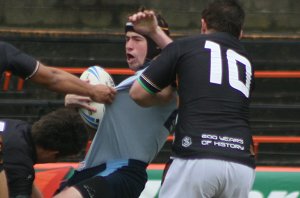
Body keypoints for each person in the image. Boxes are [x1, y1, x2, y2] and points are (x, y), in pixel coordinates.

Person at [129, 1, 256, 197]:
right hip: (241, 165)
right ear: (241, 33)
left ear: (203, 24)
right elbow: (195, 60)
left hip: (196, 156)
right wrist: (155, 31)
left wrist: (168, 96)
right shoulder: (246, 61)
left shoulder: (185, 47)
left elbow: (138, 94)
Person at [54, 9, 177, 198]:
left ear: (155, 45)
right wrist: (78, 102)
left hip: (122, 172)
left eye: (137, 40)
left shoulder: (165, 79)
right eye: (127, 39)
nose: (129, 46)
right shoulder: (134, 83)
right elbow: (110, 134)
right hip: (95, 169)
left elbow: (168, 91)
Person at [0, 41, 116, 198]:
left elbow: (52, 77)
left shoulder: (18, 136)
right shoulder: (18, 160)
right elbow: (51, 77)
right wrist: (92, 91)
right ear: (54, 153)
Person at [0, 107, 89, 198]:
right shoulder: (19, 168)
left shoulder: (15, 126)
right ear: (52, 153)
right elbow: (19, 171)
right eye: (57, 159)